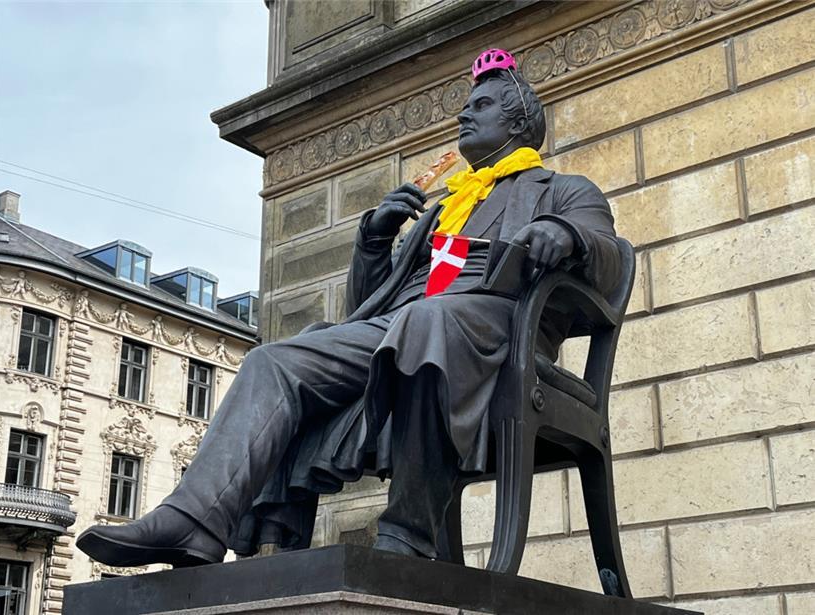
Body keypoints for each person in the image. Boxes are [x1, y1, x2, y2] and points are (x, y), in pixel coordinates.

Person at [77, 49, 620, 568]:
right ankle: (194, 521)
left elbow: (611, 255)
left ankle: (408, 534)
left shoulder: (562, 189)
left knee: (425, 323)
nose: (463, 114)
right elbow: (369, 305)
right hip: (406, 324)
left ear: (521, 123)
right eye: (465, 106)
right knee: (276, 359)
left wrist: (564, 230)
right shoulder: (445, 207)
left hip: (494, 332)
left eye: (481, 106)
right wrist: (375, 240)